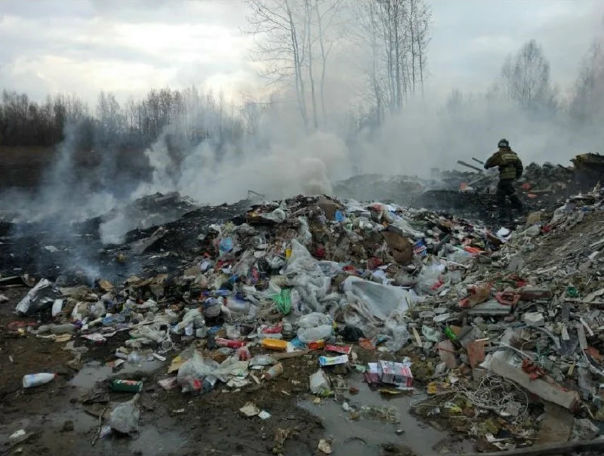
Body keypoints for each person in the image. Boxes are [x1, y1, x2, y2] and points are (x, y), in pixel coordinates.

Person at [484, 139, 524, 218]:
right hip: (511, 177)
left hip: (504, 177)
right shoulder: (513, 154)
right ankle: (519, 209)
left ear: (499, 145)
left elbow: (490, 162)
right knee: (508, 191)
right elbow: (520, 166)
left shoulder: (499, 154)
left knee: (501, 195)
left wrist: (487, 166)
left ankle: (505, 214)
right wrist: (517, 176)